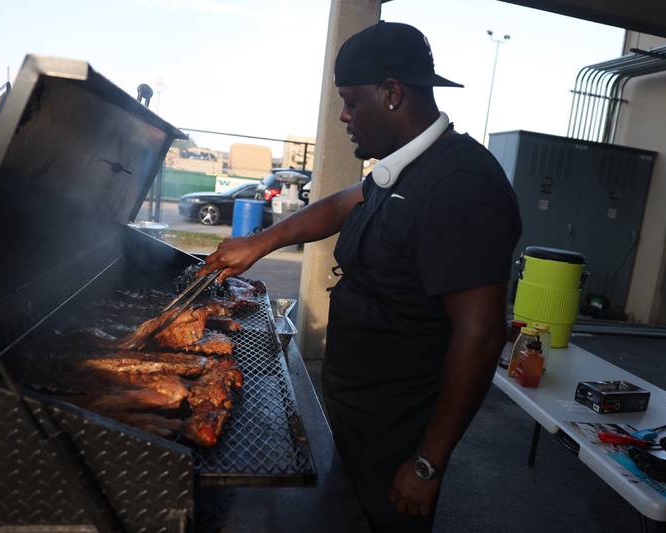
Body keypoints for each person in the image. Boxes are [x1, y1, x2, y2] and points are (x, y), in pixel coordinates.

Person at [198, 21, 522, 532]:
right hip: (359, 411)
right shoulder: (406, 168)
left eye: (351, 100)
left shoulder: (462, 186)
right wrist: (260, 243)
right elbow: (344, 204)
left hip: (400, 431)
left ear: (392, 93)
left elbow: (480, 334)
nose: (345, 116)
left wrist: (427, 463)